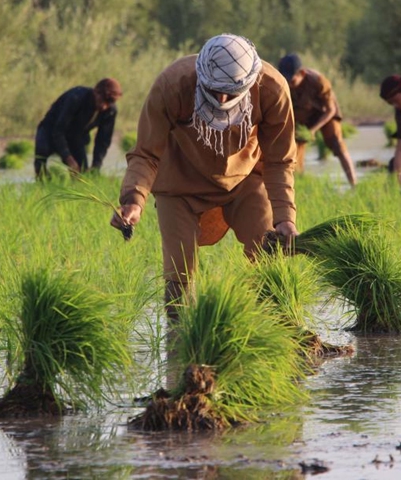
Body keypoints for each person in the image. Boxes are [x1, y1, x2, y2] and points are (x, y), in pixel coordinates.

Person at [110, 34, 298, 385]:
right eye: (215, 91)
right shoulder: (173, 85)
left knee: (269, 252)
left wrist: (286, 217)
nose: (223, 99)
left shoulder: (272, 88)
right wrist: (133, 201)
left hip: (244, 179)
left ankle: (283, 335)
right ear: (201, 77)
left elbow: (279, 160)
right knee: (179, 278)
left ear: (249, 82)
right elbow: (146, 153)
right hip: (178, 185)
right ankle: (183, 366)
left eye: (231, 92)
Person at [277, 53, 357, 184]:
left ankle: (354, 184)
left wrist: (313, 130)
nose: (290, 85)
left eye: (292, 81)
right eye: (287, 81)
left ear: (302, 73)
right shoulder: (281, 85)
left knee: (337, 144)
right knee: (292, 154)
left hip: (324, 115)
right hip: (301, 118)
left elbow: (331, 110)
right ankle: (299, 185)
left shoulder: (318, 81)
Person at [34, 78, 122, 178]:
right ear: (96, 92)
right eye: (103, 100)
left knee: (81, 173)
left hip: (76, 136)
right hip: (50, 131)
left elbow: (103, 140)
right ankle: (41, 185)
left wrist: (96, 166)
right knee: (41, 161)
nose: (104, 106)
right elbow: (58, 130)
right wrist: (68, 157)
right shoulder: (76, 98)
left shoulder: (110, 111)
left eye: (109, 103)